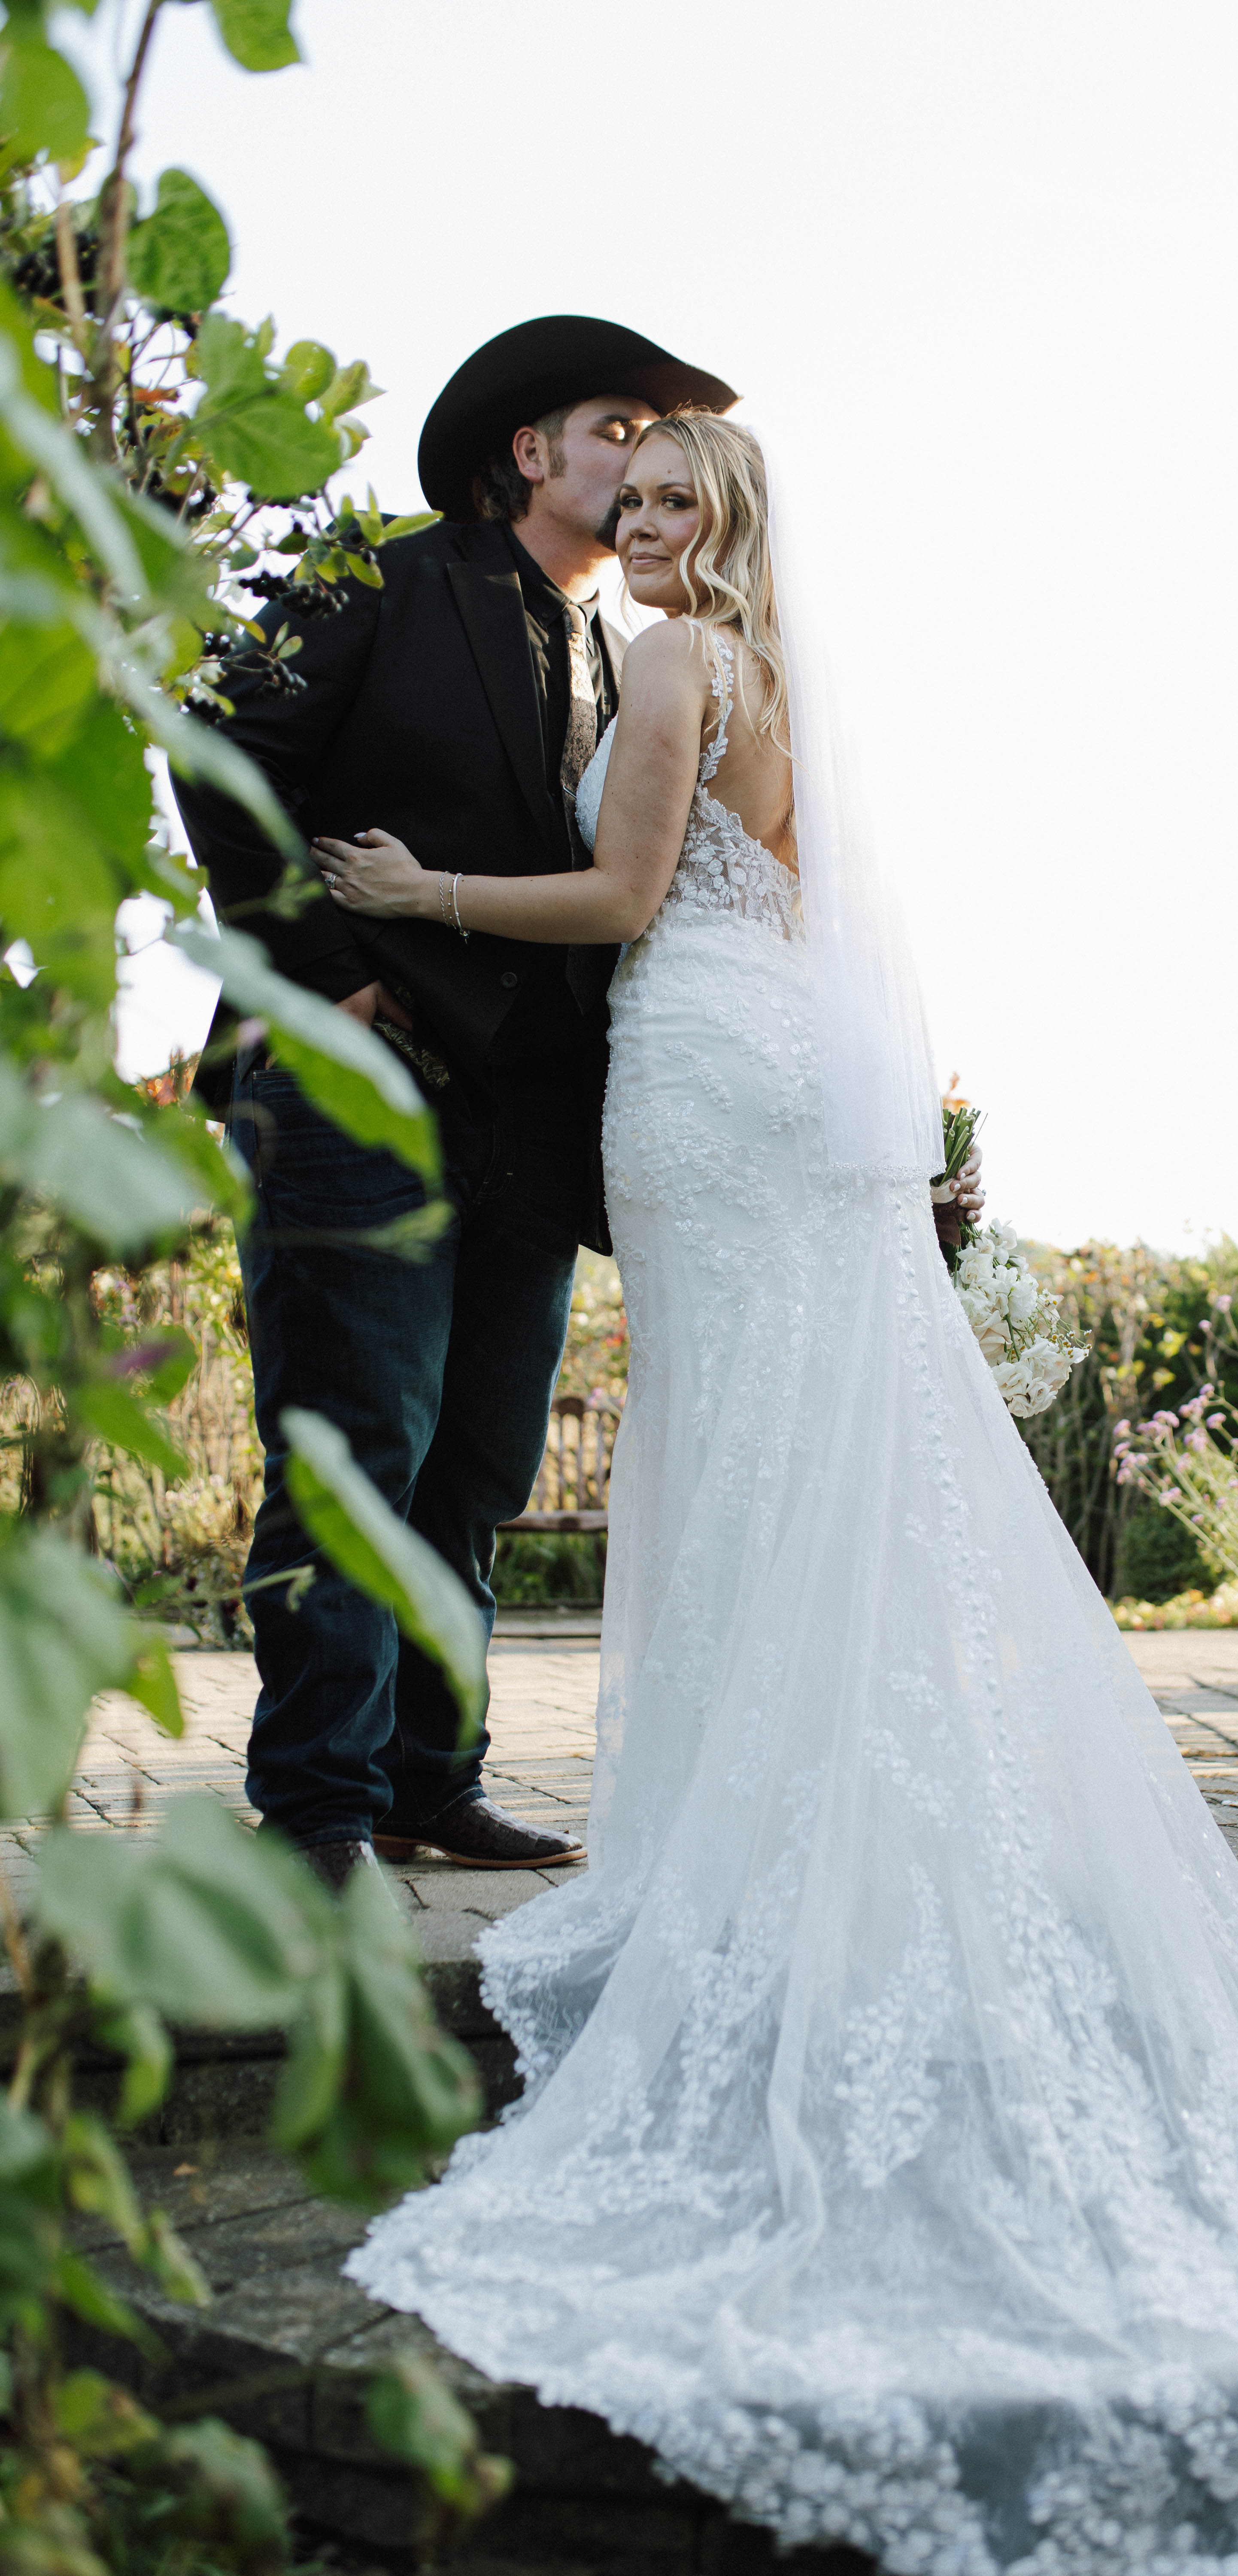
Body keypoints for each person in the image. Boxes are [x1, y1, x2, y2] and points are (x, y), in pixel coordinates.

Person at [326, 416, 1238, 2576]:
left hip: (700, 1066)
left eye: (683, 499)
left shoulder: (685, 663)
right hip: (765, 1073)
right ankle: (804, 1828)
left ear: (733, 523)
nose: (649, 522)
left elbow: (616, 898)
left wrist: (420, 895)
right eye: (639, 498)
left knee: (763, 1461)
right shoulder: (776, 677)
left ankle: (772, 1857)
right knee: (811, 1463)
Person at [173, 319, 737, 1892]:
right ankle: (316, 1807)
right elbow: (217, 744)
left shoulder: (631, 653)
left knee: (478, 1464)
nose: (645, 456)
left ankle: (431, 1779)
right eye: (617, 424)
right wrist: (326, 966)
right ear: (528, 454)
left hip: (535, 1126)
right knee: (357, 1442)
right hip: (357, 1083)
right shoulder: (380, 572)